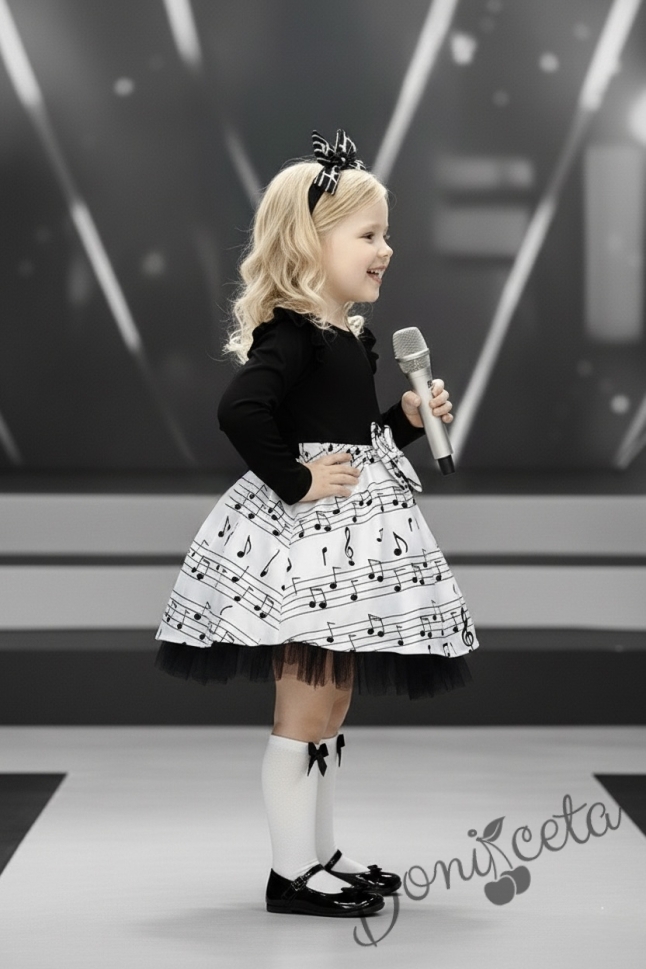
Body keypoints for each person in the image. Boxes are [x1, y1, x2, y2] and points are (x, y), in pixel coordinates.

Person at [154, 129, 480, 918]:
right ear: (311, 243)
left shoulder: (351, 337)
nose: (386, 250)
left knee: (331, 703)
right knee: (304, 706)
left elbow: (352, 435)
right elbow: (241, 409)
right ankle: (290, 871)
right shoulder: (294, 333)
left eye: (385, 234)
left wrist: (404, 420)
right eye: (369, 235)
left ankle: (320, 853)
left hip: (346, 541)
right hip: (310, 550)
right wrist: (296, 480)